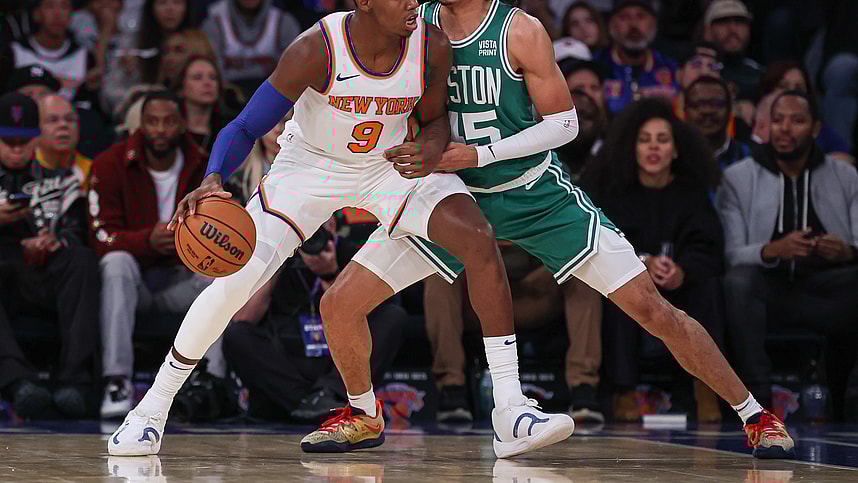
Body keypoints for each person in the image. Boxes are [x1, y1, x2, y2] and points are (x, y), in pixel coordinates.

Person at [108, 0, 573, 459]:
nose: (413, 3)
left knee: (477, 236)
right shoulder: (316, 48)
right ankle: (151, 410)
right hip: (310, 168)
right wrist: (212, 178)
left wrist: (431, 150)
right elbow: (246, 126)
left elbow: (435, 120)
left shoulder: (431, 44)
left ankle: (510, 410)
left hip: (388, 164)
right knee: (234, 284)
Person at [344, 0, 794, 459]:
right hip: (450, 196)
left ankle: (755, 414)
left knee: (652, 308)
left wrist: (481, 155)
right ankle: (363, 413)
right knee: (345, 301)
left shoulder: (519, 30)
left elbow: (565, 124)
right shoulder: (414, 21)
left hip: (533, 192)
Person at [580, 98, 726, 424]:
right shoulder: (616, 192)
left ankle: (708, 389)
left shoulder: (691, 194)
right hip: (633, 283)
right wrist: (642, 262)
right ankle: (623, 392)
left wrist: (683, 270)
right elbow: (601, 243)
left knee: (710, 288)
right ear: (632, 149)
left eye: (662, 140)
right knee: (618, 292)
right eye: (645, 140)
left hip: (682, 287)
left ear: (676, 150)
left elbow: (710, 247)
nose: (653, 148)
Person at [717, 90, 858, 413]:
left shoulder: (846, 176)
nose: (785, 129)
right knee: (738, 281)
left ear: (816, 128)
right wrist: (772, 250)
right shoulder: (738, 178)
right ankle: (755, 398)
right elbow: (732, 254)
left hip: (825, 290)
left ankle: (852, 395)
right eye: (778, 120)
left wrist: (846, 252)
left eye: (796, 121)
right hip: (768, 291)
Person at [89, 91, 219, 419]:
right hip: (134, 282)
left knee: (218, 273)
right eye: (152, 122)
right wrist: (147, 240)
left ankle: (215, 383)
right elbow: (100, 238)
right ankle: (117, 381)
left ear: (183, 124)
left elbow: (221, 228)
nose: (160, 129)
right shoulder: (109, 164)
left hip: (182, 278)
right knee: (115, 262)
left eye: (169, 121)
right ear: (140, 126)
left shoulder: (204, 167)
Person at [222, 215, 408, 422]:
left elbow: (359, 315)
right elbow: (243, 318)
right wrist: (275, 263)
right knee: (236, 335)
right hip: (288, 360)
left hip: (338, 362)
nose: (309, 235)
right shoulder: (280, 258)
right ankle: (309, 403)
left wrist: (329, 275)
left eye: (317, 225)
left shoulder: (355, 255)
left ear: (332, 226)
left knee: (394, 317)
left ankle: (327, 397)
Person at [0, 92, 100, 419]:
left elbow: (77, 231)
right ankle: (18, 382)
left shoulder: (62, 180)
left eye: (24, 141)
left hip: (45, 275)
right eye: (8, 142)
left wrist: (54, 241)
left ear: (37, 139)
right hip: (5, 277)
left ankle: (76, 382)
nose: (17, 149)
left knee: (82, 260)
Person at [594, 0, 679, 114]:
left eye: (641, 16)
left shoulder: (671, 68)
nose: (633, 24)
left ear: (653, 24)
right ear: (611, 25)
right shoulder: (596, 66)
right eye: (624, 17)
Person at [683, 76, 751, 171]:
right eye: (698, 104)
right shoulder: (672, 157)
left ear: (730, 110)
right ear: (685, 111)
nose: (708, 111)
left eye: (717, 104)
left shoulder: (748, 156)